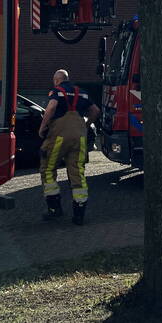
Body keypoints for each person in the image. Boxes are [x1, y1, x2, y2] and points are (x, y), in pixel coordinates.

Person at [38, 69, 100, 225]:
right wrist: (86, 125)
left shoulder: (57, 91)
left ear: (56, 80)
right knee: (77, 171)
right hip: (79, 137)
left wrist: (42, 127)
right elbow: (95, 110)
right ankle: (79, 215)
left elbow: (51, 108)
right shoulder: (82, 93)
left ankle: (54, 209)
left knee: (48, 168)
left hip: (59, 136)